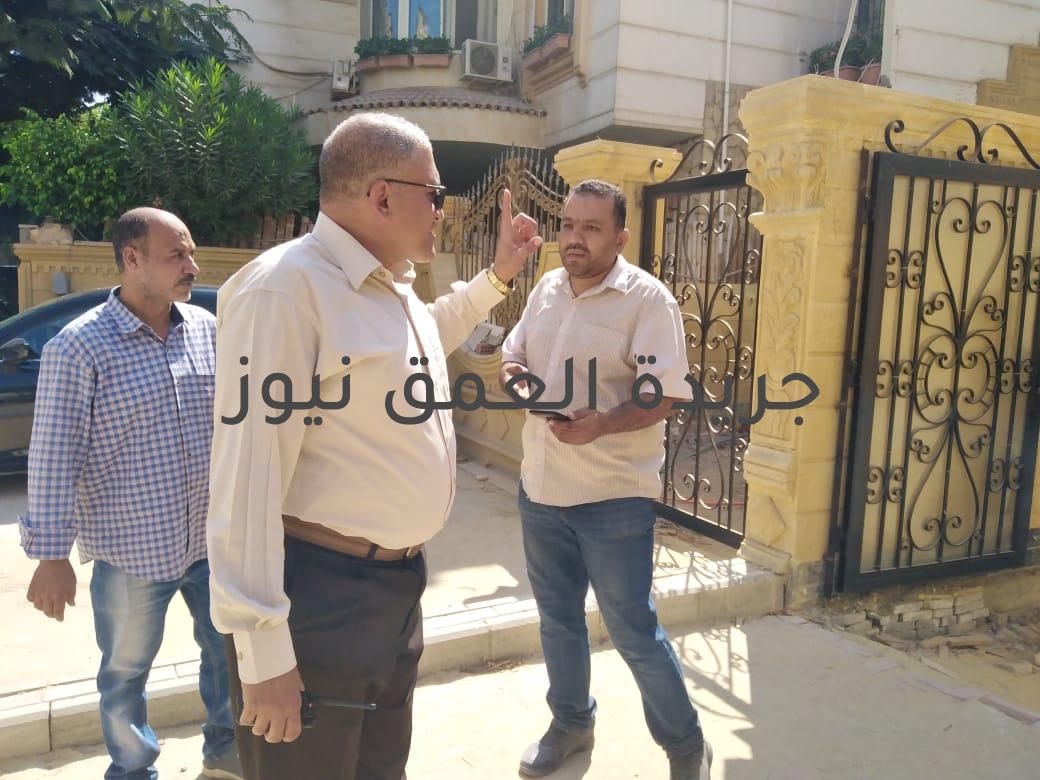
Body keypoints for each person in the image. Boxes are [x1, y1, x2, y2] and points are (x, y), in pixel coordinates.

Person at [206, 112, 542, 780]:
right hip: (320, 597)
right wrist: (263, 654)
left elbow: (433, 330)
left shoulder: (389, 286)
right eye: (435, 193)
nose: (443, 210)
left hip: (393, 589)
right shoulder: (286, 290)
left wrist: (500, 275)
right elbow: (246, 481)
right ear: (382, 196)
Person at [500, 179, 713, 780]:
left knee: (633, 630)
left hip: (612, 498)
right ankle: (571, 724)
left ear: (620, 237)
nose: (575, 238)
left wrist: (602, 425)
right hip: (541, 488)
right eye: (568, 225)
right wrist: (518, 381)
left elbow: (664, 396)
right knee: (557, 618)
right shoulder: (546, 288)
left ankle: (685, 745)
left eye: (591, 228)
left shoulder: (647, 301)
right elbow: (513, 355)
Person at [20, 207, 241, 780]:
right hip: (131, 553)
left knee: (228, 654)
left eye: (191, 253)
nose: (192, 266)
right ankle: (133, 769)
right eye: (177, 255)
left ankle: (226, 757)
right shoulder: (80, 347)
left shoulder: (206, 330)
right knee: (124, 673)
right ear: (132, 258)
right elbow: (54, 454)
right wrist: (51, 556)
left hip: (210, 543)